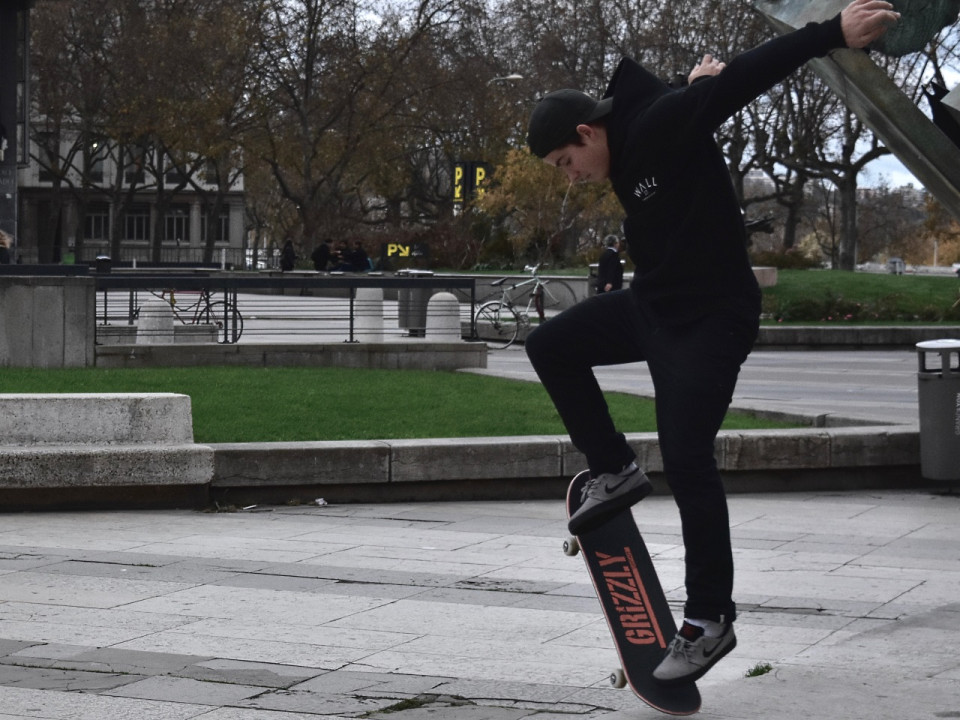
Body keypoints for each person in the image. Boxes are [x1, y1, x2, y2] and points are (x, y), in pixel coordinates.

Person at [524, 0, 898, 687]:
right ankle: (614, 467)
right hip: (655, 307)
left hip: (713, 319)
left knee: (690, 457)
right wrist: (693, 84)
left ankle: (708, 620)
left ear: (587, 131)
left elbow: (744, 80)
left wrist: (829, 35)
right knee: (550, 345)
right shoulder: (648, 129)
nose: (567, 177)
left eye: (563, 161)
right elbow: (691, 101)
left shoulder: (660, 126)